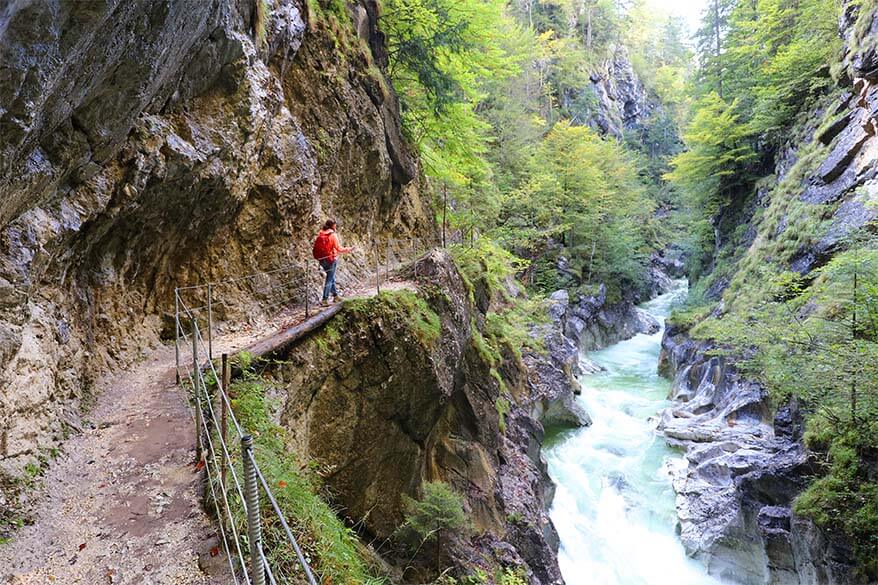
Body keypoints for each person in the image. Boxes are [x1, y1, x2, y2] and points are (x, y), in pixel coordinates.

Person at [312, 219, 353, 306]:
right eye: (335, 225)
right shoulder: (333, 235)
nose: (336, 226)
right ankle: (324, 299)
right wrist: (348, 249)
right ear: (333, 226)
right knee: (329, 279)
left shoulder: (321, 233)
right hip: (331, 259)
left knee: (331, 277)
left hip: (322, 260)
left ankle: (335, 296)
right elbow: (338, 248)